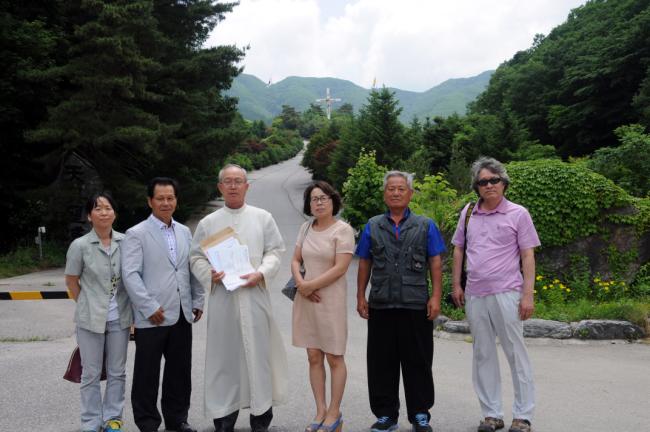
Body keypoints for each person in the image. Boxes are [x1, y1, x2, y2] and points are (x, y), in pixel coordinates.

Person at [190, 164, 288, 432]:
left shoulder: (263, 217)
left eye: (238, 181)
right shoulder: (209, 223)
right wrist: (209, 274)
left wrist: (261, 273)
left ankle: (261, 415)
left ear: (247, 186)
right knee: (224, 358)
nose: (233, 186)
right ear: (220, 187)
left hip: (254, 295)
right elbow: (196, 257)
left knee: (259, 355)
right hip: (223, 298)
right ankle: (224, 416)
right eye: (228, 181)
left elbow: (275, 251)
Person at [451, 157, 540, 432]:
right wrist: (456, 285)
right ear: (476, 186)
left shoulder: (518, 213)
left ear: (504, 183)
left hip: (508, 292)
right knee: (483, 353)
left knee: (516, 353)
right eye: (483, 182)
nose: (489, 185)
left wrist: (528, 295)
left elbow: (527, 255)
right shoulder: (468, 213)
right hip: (475, 293)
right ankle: (492, 414)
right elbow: (458, 249)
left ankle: (523, 416)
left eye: (494, 180)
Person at [356, 171, 446, 432]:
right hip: (381, 303)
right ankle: (386, 415)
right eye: (391, 189)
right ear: (384, 194)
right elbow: (364, 261)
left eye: (401, 189)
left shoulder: (426, 225)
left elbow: (435, 262)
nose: (395, 193)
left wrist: (436, 296)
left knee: (418, 361)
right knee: (381, 362)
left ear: (410, 194)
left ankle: (420, 414)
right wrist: (360, 295)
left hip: (415, 304)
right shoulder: (372, 225)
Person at [121, 177, 204, 432]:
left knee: (180, 371)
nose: (165, 203)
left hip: (182, 313)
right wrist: (148, 307)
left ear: (176, 200)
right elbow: (130, 274)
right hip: (152, 316)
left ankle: (177, 419)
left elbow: (191, 267)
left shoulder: (184, 231)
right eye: (160, 198)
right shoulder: (136, 233)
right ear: (150, 201)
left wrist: (197, 299)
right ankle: (147, 422)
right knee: (147, 372)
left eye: (170, 198)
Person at [65, 193, 132, 432]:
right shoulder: (80, 245)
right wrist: (86, 305)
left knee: (117, 372)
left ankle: (113, 419)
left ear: (115, 213)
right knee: (90, 373)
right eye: (97, 208)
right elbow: (72, 281)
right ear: (89, 216)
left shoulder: (127, 242)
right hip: (90, 320)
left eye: (108, 208)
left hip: (120, 318)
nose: (104, 212)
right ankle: (91, 422)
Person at [291, 181, 355, 432]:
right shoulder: (305, 227)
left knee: (334, 356)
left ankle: (334, 413)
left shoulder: (343, 230)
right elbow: (295, 260)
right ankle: (320, 410)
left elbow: (341, 268)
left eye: (323, 198)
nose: (318, 203)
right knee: (313, 356)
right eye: (314, 199)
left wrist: (310, 285)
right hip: (306, 298)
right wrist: (301, 284)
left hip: (330, 300)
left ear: (333, 201)